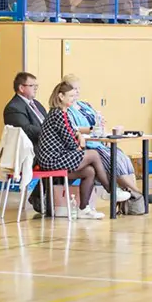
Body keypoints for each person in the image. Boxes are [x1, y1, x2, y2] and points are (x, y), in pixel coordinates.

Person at [63, 75, 152, 204]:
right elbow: (72, 128)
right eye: (73, 89)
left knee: (123, 159)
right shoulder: (66, 110)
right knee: (112, 161)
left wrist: (101, 127)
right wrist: (91, 129)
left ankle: (134, 195)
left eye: (78, 88)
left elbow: (98, 121)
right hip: (88, 145)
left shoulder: (85, 105)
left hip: (99, 142)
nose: (77, 92)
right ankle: (138, 193)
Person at [36, 81, 109, 220]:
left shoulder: (63, 114)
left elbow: (71, 133)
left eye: (74, 96)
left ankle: (84, 209)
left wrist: (78, 137)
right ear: (61, 96)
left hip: (59, 156)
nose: (74, 99)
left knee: (90, 171)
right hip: (51, 159)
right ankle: (110, 190)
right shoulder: (57, 114)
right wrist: (79, 141)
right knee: (93, 154)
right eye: (70, 96)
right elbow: (69, 141)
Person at [3, 72, 46, 147]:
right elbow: (26, 130)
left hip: (46, 146)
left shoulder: (37, 104)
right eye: (32, 85)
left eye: (36, 86)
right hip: (32, 151)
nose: (35, 88)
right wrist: (49, 132)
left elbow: (47, 121)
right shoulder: (14, 108)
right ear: (21, 88)